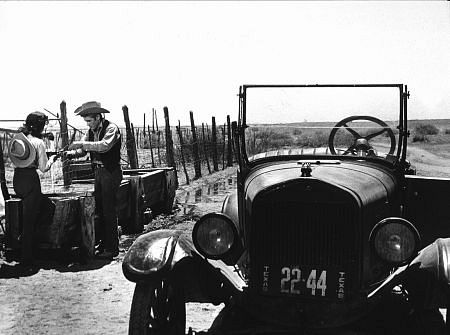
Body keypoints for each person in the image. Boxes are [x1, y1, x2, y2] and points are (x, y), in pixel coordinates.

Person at [64, 101, 122, 260]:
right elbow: (83, 150)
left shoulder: (111, 128)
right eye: (86, 122)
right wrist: (70, 154)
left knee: (109, 210)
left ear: (98, 117)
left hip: (110, 172)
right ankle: (103, 244)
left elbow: (104, 146)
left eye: (89, 121)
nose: (88, 124)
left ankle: (112, 248)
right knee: (101, 210)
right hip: (98, 172)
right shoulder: (90, 132)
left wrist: (82, 144)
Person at [8, 111, 58, 265]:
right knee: (32, 220)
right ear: (41, 126)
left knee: (40, 210)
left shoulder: (19, 140)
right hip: (31, 180)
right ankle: (27, 256)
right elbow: (43, 168)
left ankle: (24, 245)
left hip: (18, 179)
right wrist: (52, 159)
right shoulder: (39, 143)